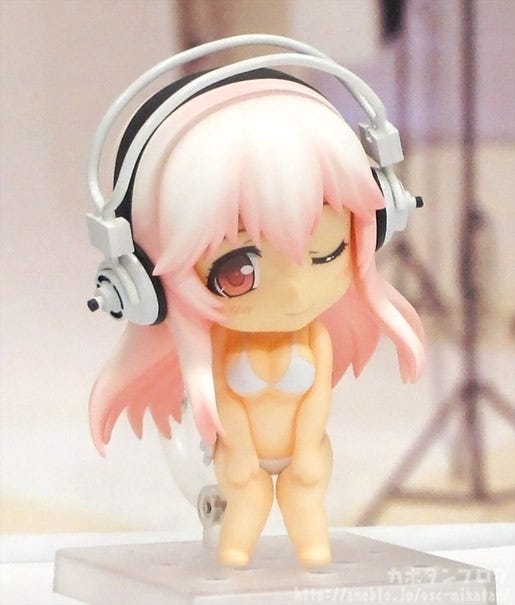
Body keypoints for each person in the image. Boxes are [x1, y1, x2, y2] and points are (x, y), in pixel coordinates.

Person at [89, 72, 425, 567]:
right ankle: (234, 558)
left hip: (306, 452)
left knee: (306, 507)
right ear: (139, 282)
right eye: (239, 272)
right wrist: (241, 452)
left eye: (329, 253)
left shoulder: (314, 337)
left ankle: (312, 557)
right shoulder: (227, 348)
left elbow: (317, 399)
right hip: (240, 458)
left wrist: (306, 448)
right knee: (244, 512)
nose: (294, 293)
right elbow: (228, 405)